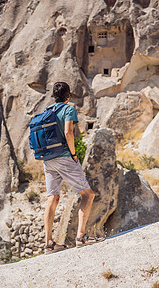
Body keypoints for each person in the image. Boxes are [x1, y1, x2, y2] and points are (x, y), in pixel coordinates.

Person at [43, 81, 104, 254]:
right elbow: (69, 132)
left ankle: (49, 243)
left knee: (52, 198)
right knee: (87, 194)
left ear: (54, 96)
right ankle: (81, 237)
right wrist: (74, 154)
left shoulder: (47, 111)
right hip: (63, 156)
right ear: (68, 96)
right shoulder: (68, 109)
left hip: (47, 159)